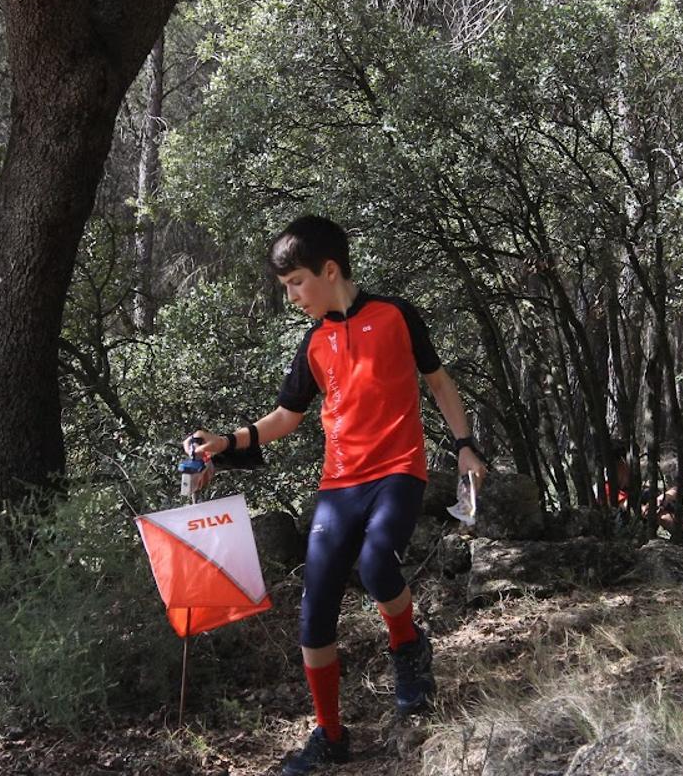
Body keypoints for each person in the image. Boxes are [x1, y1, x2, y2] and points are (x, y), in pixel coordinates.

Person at [183, 215, 487, 776]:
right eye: (285, 288)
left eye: (297, 282)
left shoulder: (395, 314)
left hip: (398, 471)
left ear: (330, 270)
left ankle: (408, 647)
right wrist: (226, 442)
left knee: (376, 564)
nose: (293, 296)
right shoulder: (314, 342)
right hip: (339, 484)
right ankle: (330, 735)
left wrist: (465, 446)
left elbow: (439, 383)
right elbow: (286, 417)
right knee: (315, 607)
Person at [596, 441, 683, 541]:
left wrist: (664, 498)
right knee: (653, 507)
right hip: (622, 534)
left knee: (662, 500)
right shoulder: (606, 488)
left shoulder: (633, 485)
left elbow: (675, 491)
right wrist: (653, 505)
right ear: (620, 463)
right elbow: (638, 509)